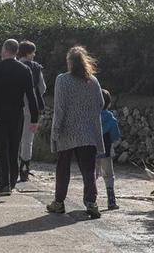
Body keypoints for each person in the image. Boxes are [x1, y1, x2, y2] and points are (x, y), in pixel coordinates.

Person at [47, 46, 105, 219]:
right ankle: (91, 203)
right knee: (88, 170)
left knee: (63, 168)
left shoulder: (62, 80)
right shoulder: (93, 81)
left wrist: (55, 132)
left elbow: (60, 108)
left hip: (67, 131)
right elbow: (101, 103)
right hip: (88, 133)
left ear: (69, 62)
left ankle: (59, 202)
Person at [0, 39, 40, 195]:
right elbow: (31, 96)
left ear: (5, 50)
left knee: (2, 149)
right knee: (13, 148)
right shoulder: (25, 70)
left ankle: (4, 184)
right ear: (16, 51)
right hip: (17, 115)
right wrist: (34, 119)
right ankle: (12, 181)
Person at [17, 40, 46, 182]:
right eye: (33, 52)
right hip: (31, 107)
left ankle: (12, 166)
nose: (34, 55)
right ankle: (24, 168)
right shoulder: (35, 68)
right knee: (27, 140)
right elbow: (43, 88)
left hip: (15, 106)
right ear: (28, 53)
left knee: (14, 138)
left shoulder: (14, 65)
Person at [97, 89, 122, 210]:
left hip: (91, 151)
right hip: (106, 151)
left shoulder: (91, 117)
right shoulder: (111, 118)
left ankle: (90, 200)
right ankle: (111, 201)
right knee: (109, 176)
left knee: (91, 175)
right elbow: (116, 136)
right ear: (109, 103)